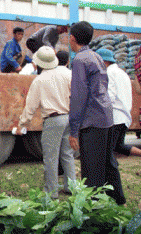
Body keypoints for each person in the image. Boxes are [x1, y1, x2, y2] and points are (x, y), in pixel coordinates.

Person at [69, 21, 126, 205]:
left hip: (92, 121)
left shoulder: (79, 60)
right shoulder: (96, 56)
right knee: (108, 163)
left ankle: (93, 210)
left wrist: (73, 130)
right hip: (106, 117)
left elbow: (78, 97)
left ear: (72, 38)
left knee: (92, 171)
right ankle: (119, 200)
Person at [16, 46, 75, 199]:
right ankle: (72, 187)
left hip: (53, 120)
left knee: (50, 157)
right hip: (69, 118)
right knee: (67, 154)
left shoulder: (40, 80)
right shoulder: (67, 74)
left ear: (38, 63)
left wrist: (22, 124)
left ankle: (51, 191)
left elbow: (30, 106)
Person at [96, 48, 141, 157]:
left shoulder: (108, 73)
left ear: (105, 62)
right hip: (124, 117)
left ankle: (110, 172)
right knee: (118, 146)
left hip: (114, 117)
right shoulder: (122, 73)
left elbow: (109, 97)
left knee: (107, 151)